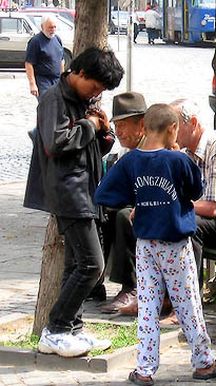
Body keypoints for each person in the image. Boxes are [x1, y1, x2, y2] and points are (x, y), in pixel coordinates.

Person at [94, 104, 216, 385]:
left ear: (144, 128)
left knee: (148, 306)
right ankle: (204, 361)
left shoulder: (131, 161)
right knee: (188, 303)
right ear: (172, 129)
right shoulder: (178, 161)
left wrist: (138, 200)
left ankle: (144, 369)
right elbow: (195, 191)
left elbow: (104, 193)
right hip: (175, 245)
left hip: (145, 244)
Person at [24, 47, 124, 358]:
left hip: (86, 190)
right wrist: (90, 126)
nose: (97, 93)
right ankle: (56, 328)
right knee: (94, 265)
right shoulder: (54, 98)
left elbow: (93, 148)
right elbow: (56, 143)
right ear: (78, 73)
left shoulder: (83, 100)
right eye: (95, 86)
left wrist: (104, 131)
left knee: (76, 266)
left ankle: (73, 328)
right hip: (69, 192)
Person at [99, 92, 148, 315]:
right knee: (101, 211)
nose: (119, 131)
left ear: (142, 124)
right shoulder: (125, 152)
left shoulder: (154, 148)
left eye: (124, 125)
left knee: (123, 216)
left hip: (156, 209)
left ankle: (132, 286)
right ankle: (94, 279)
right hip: (135, 205)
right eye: (116, 125)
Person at [168, 99, 216, 278]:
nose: (170, 132)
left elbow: (214, 207)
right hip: (205, 217)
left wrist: (172, 206)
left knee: (189, 224)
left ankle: (188, 298)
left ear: (193, 123)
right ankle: (160, 294)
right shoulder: (185, 153)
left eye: (174, 126)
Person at [25, 15, 64, 98]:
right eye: (50, 27)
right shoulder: (35, 41)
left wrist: (62, 78)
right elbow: (29, 63)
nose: (53, 30)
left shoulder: (57, 39)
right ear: (42, 26)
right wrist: (32, 84)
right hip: (42, 81)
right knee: (46, 105)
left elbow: (61, 60)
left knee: (58, 106)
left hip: (56, 80)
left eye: (54, 27)